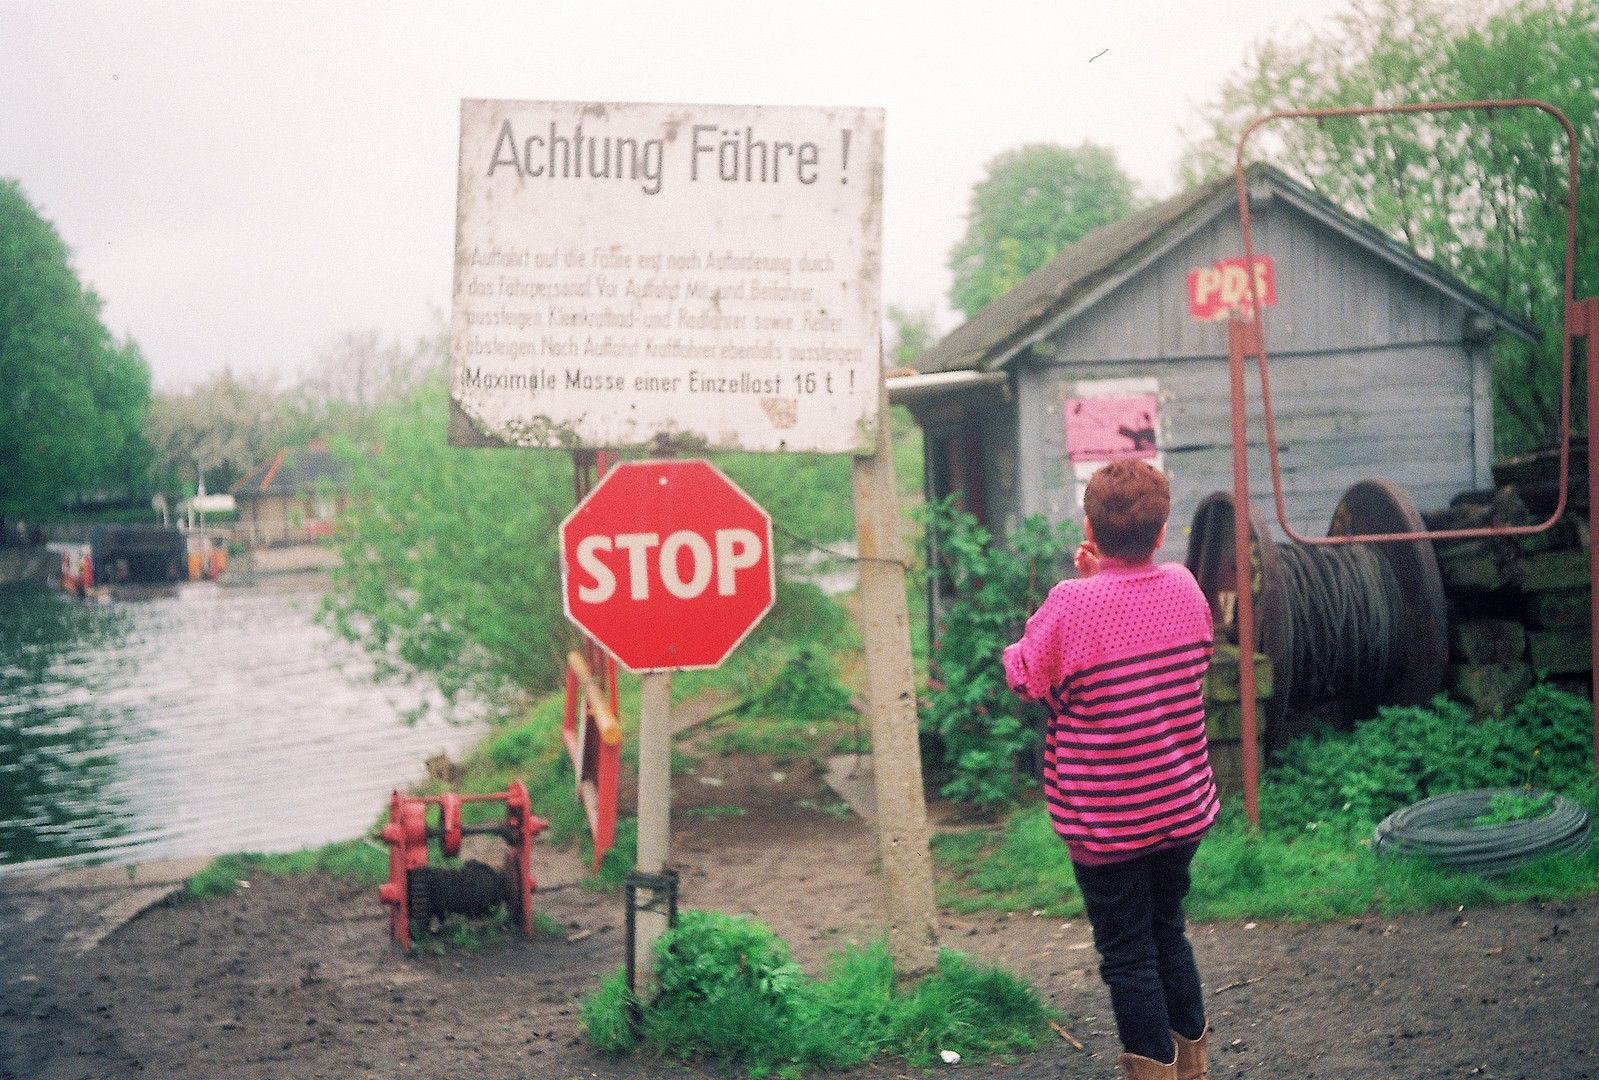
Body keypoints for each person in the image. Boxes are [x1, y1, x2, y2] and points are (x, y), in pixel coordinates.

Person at [1001, 459, 1218, 1080]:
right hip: (1180, 806)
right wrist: (1106, 582)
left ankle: (1153, 1073)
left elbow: (1025, 674)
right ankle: (1193, 1069)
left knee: (1127, 954)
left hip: (1107, 822)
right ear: (1161, 531)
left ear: (1090, 532)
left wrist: (1086, 589)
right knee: (1167, 932)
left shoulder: (1070, 604)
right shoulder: (1183, 586)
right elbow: (1182, 654)